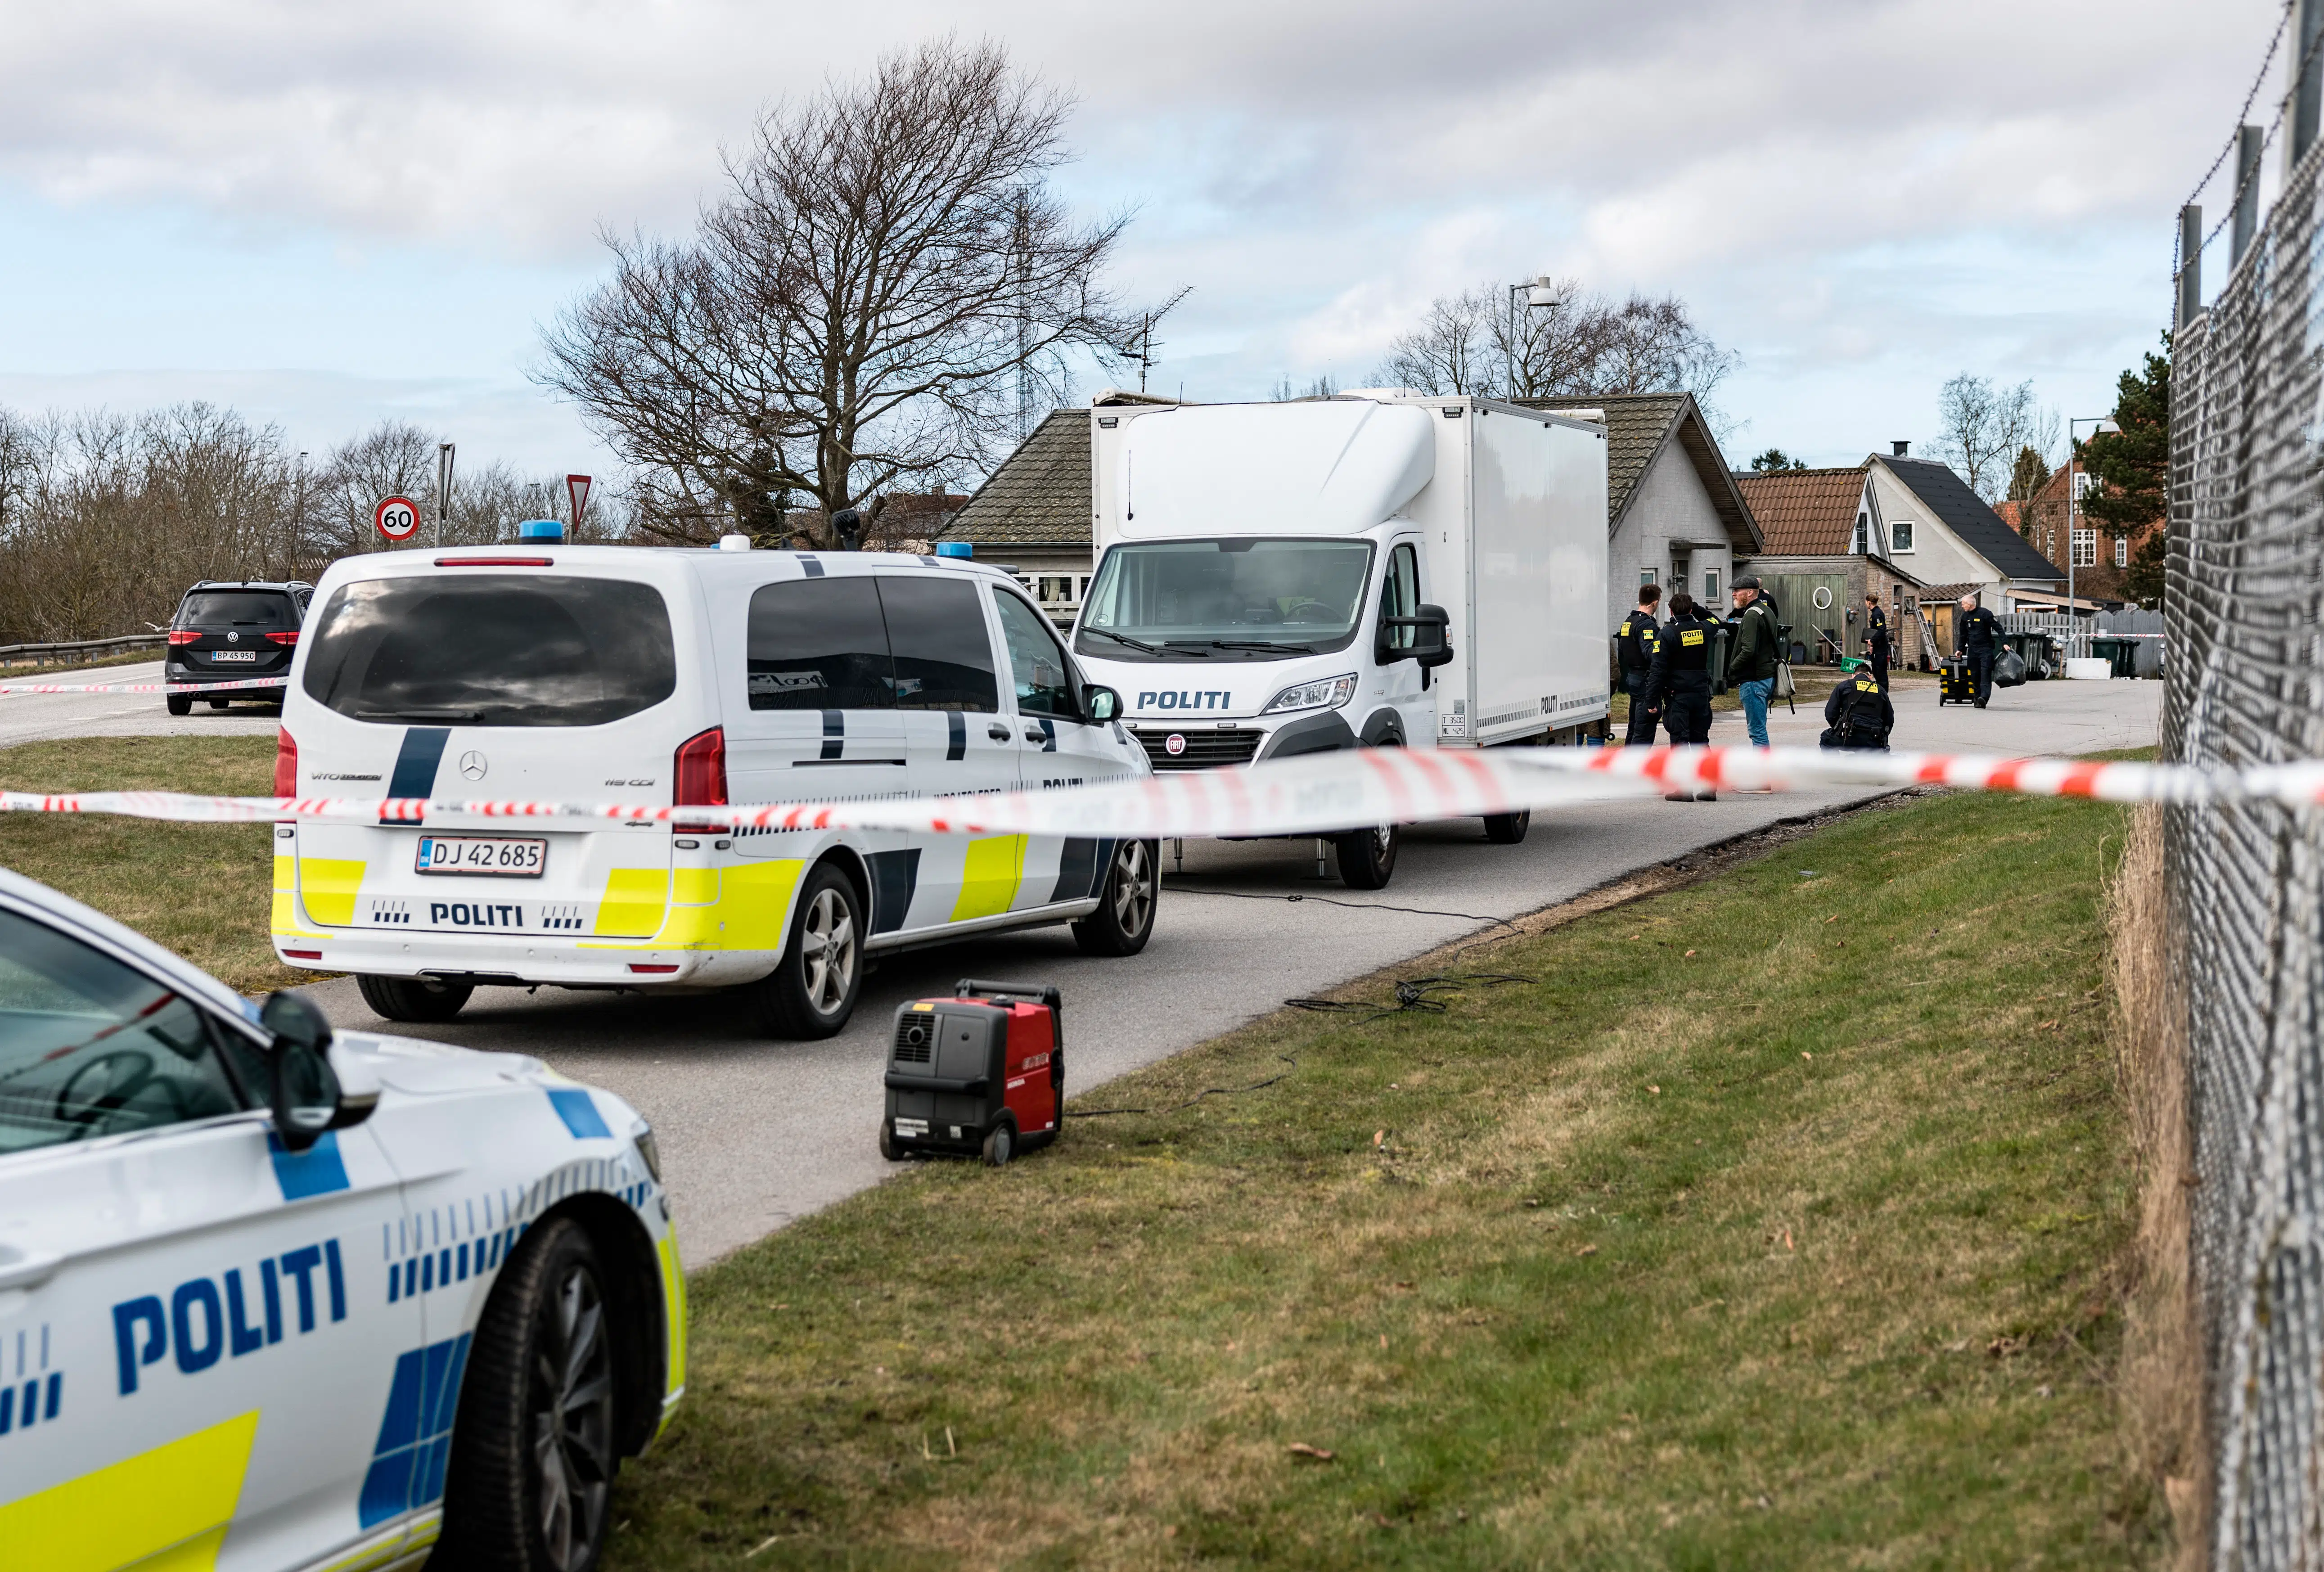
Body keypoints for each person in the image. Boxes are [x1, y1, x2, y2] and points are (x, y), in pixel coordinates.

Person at [1644, 591, 1716, 801]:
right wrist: (1696, 610)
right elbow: (1714, 619)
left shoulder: (1667, 634)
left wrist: (1651, 700)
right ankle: (1710, 787)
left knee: (1679, 742)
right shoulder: (1703, 629)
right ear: (1692, 610)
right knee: (1701, 741)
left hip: (1679, 697)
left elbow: (1658, 670)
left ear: (1671, 611)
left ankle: (1683, 790)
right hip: (1701, 695)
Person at [1727, 575, 1783, 751]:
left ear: (1750, 592)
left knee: (1757, 731)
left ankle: (1763, 774)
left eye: (1737, 591)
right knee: (1760, 727)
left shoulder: (1751, 615)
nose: (1734, 595)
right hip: (1766, 675)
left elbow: (1748, 650)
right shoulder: (1767, 611)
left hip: (1754, 679)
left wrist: (1732, 669)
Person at [1615, 585, 1664, 745]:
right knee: (1643, 732)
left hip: (1634, 678)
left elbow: (1621, 650)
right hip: (1646, 682)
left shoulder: (1628, 622)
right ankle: (1636, 768)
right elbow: (1650, 652)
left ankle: (1627, 766)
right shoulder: (1647, 625)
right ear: (1655, 603)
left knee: (1634, 727)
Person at [1820, 667, 1895, 751]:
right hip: (1873, 741)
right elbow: (1889, 719)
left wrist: (1839, 729)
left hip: (1847, 737)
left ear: (1853, 676)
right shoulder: (1881, 690)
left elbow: (1830, 714)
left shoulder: (1844, 686)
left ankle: (1837, 763)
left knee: (1826, 739)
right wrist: (1882, 738)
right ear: (1870, 677)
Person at [1957, 593, 2004, 708]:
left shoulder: (1985, 614)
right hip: (1973, 650)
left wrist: (2005, 644)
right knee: (1975, 675)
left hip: (1986, 650)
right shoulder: (1965, 617)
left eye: (1963, 604)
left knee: (1985, 674)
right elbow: (1963, 635)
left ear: (1969, 604)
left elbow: (1999, 628)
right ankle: (1978, 698)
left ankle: (1984, 697)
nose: (1962, 607)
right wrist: (1960, 649)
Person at [1863, 594, 1891, 688]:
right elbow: (1875, 631)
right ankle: (1879, 692)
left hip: (1881, 648)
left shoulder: (1877, 614)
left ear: (1869, 602)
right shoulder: (1874, 613)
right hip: (1877, 647)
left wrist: (1872, 641)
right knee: (1875, 670)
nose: (1866, 604)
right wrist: (1872, 646)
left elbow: (1882, 630)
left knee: (1880, 671)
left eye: (1866, 602)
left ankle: (1884, 693)